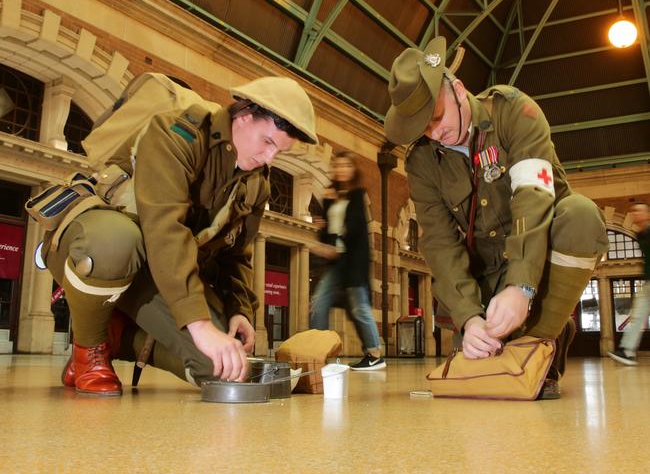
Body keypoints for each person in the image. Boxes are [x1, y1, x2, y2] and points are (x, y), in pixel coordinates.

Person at [41, 75, 318, 396]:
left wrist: (239, 309)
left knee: (222, 368)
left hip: (162, 273)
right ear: (243, 117)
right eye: (267, 142)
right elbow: (165, 230)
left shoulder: (257, 182)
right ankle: (88, 351)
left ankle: (118, 336)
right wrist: (199, 325)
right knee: (115, 244)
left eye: (278, 152)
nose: (269, 158)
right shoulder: (177, 135)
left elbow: (236, 254)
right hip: (104, 244)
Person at [383, 36, 609, 398]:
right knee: (479, 352)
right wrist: (469, 317)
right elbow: (441, 243)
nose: (434, 133)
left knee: (581, 215)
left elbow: (533, 199)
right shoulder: (422, 162)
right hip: (486, 275)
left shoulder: (515, 113)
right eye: (422, 129)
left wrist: (521, 287)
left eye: (437, 117)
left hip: (539, 256)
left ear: (457, 88)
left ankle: (540, 340)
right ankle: (522, 341)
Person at [309, 151, 385, 370]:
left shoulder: (357, 195)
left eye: (346, 166)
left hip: (353, 262)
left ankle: (374, 354)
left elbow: (357, 229)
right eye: (338, 165)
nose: (341, 169)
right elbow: (326, 235)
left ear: (353, 170)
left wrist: (336, 243)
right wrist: (323, 228)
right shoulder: (329, 196)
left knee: (360, 307)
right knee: (319, 302)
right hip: (337, 263)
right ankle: (318, 353)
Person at [608, 202, 650, 365]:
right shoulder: (641, 234)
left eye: (638, 211)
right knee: (638, 315)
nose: (635, 214)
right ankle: (627, 351)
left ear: (647, 213)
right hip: (648, 282)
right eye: (633, 212)